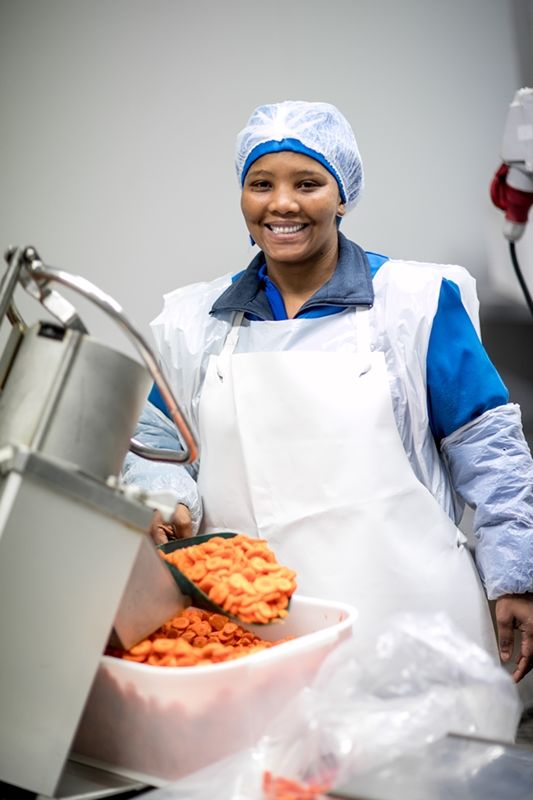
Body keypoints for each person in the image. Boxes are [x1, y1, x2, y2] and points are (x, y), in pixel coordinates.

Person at [122, 100, 533, 682]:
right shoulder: (195, 324)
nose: (282, 203)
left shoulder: (412, 304)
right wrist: (166, 499)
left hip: (413, 636)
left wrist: (515, 576)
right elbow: (156, 443)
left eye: (307, 183)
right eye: (261, 183)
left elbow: (489, 450)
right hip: (258, 639)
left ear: (342, 196)